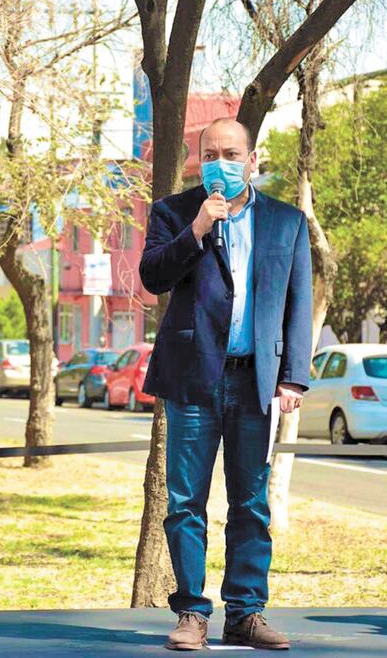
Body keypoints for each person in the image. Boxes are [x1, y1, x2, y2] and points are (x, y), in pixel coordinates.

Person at [139, 118, 312, 651]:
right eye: (211, 154)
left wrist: (293, 378)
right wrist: (196, 229)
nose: (221, 163)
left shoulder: (286, 222)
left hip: (254, 381)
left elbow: (298, 303)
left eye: (231, 154)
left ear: (252, 159)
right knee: (184, 502)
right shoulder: (173, 212)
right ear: (199, 161)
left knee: (251, 503)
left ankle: (245, 612)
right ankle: (191, 613)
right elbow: (153, 277)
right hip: (191, 379)